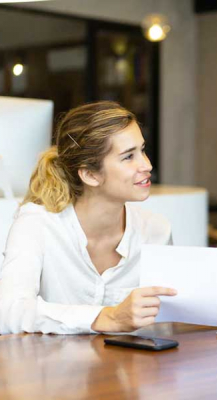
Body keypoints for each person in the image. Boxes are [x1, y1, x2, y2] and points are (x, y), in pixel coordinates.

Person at [0, 101, 176, 335]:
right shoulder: (36, 225)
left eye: (142, 150)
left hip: (130, 369)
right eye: (128, 157)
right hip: (52, 370)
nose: (147, 165)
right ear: (90, 174)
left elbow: (165, 327)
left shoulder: (156, 230)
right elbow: (8, 311)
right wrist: (104, 317)